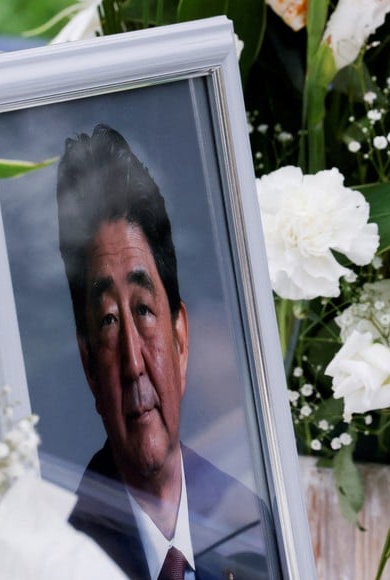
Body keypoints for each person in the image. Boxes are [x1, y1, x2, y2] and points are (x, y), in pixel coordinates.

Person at [55, 124, 273, 580]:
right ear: (88, 365)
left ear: (181, 339)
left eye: (144, 311)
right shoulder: (63, 556)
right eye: (109, 321)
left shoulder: (261, 528)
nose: (134, 363)